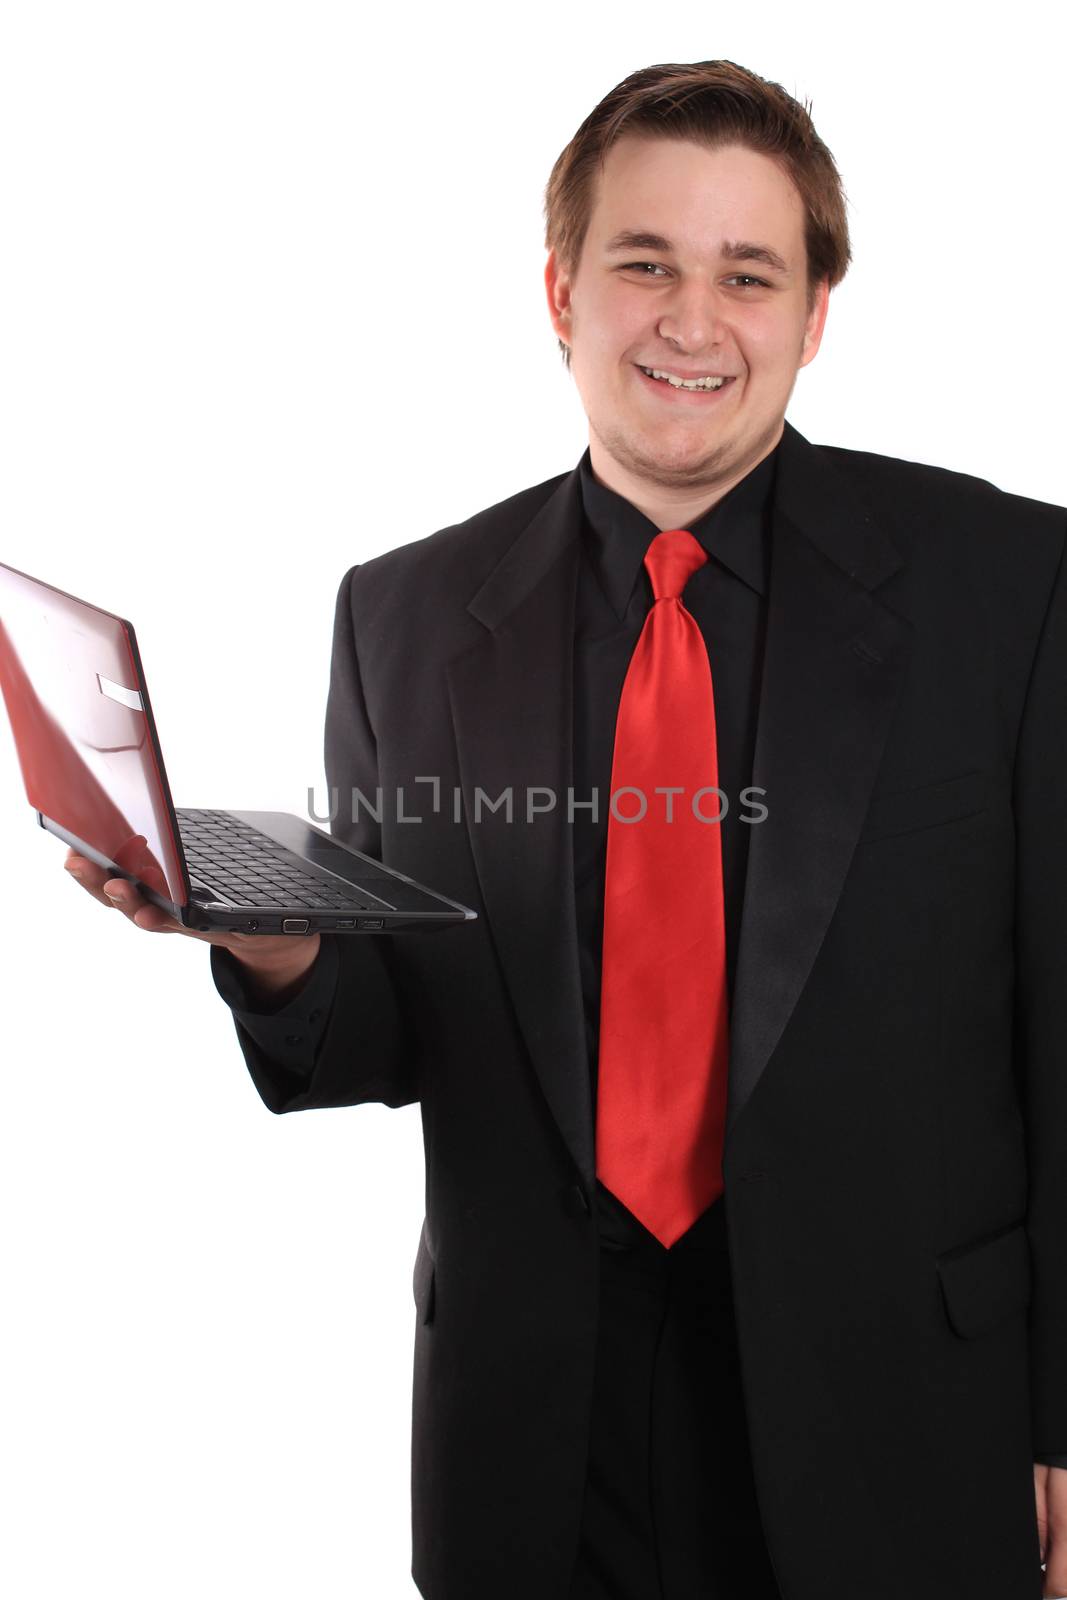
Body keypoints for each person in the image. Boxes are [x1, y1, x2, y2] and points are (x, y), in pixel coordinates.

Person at [64, 58, 1067, 1600]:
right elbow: (396, 1035)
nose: (689, 321)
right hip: (535, 1426)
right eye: (644, 263)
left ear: (812, 319)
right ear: (560, 289)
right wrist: (269, 938)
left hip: (900, 1410)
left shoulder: (1008, 586)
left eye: (748, 274)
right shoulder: (402, 614)